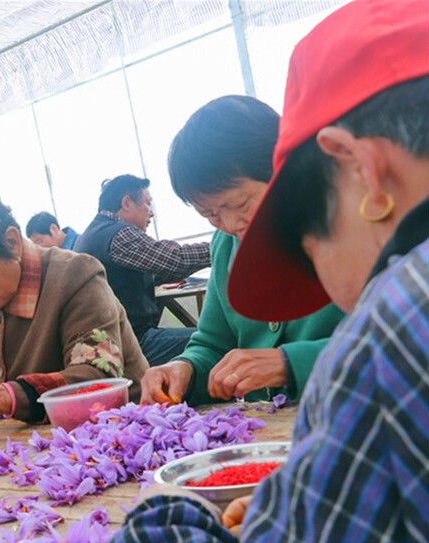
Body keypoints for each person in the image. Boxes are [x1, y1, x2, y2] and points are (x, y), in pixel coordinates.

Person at [88, 2, 429, 543]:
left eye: (303, 231)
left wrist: (165, 529)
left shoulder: (400, 328)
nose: (329, 284)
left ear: (362, 167)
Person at [138, 95, 345, 405]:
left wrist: (292, 363)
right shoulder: (226, 245)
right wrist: (185, 368)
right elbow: (213, 343)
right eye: (210, 214)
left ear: (281, 167)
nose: (231, 223)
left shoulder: (352, 228)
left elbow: (405, 338)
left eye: (238, 204)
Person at [0, 192, 148, 426]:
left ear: (12, 243)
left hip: (117, 437)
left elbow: (98, 377)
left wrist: (8, 398)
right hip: (24, 449)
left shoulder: (76, 275)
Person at [74, 174, 211, 366]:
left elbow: (162, 271)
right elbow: (175, 259)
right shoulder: (120, 234)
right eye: (148, 203)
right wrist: (221, 246)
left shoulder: (93, 234)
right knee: (215, 342)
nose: (151, 213)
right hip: (131, 344)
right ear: (127, 202)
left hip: (108, 345)